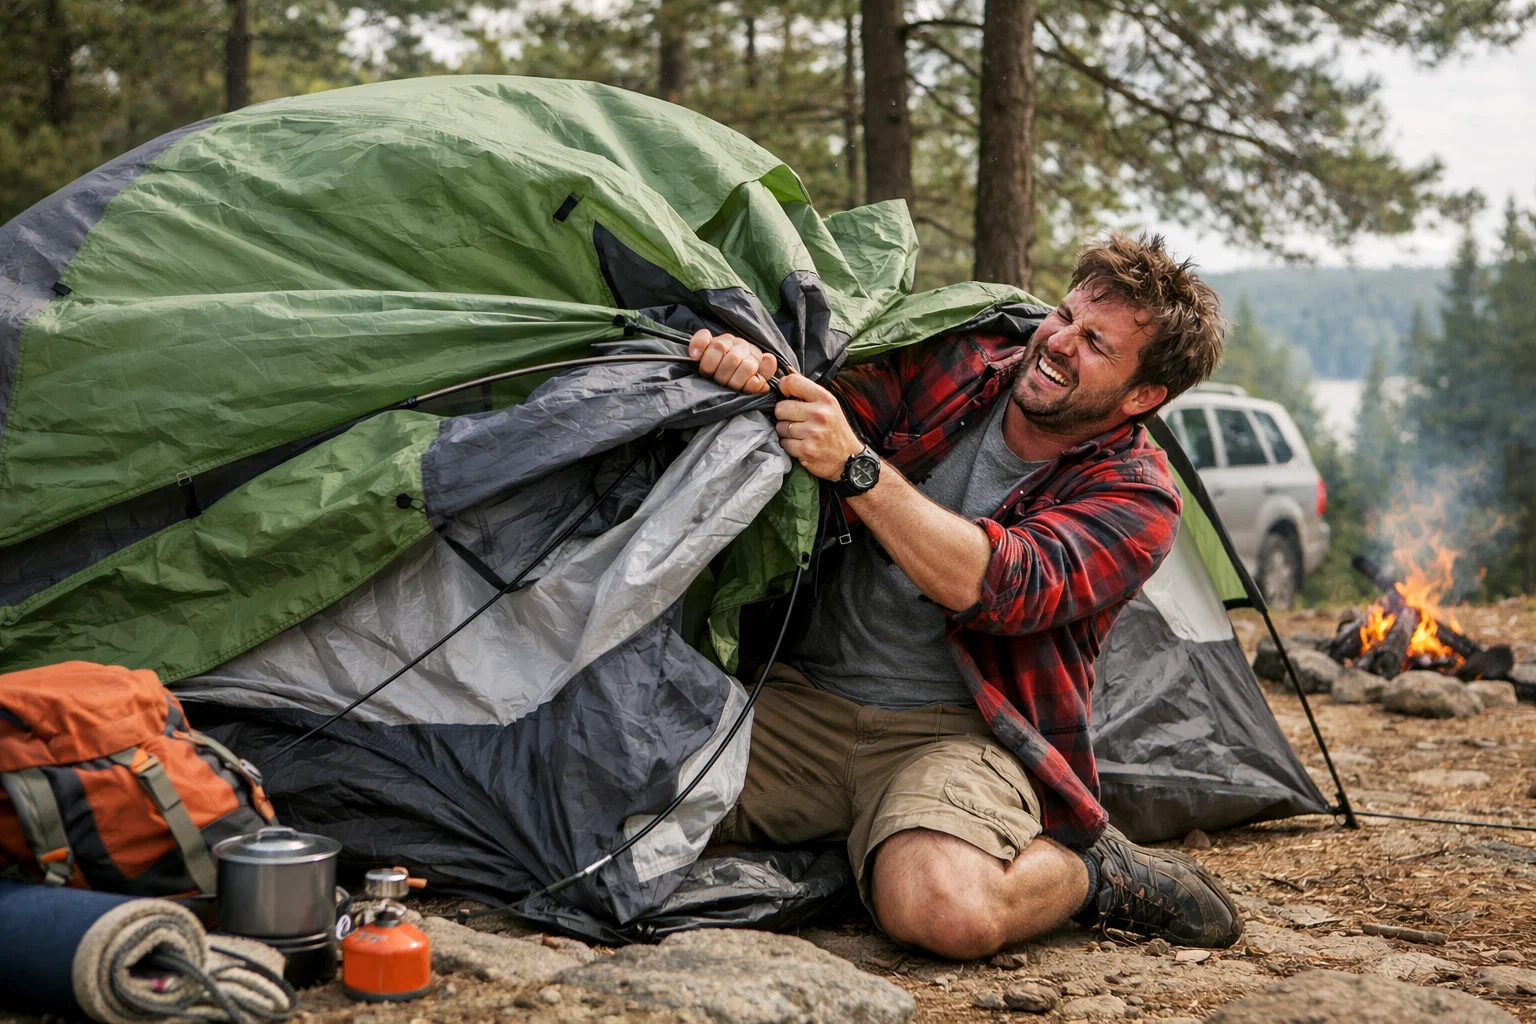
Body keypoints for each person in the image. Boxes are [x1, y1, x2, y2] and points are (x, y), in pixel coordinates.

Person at [690, 232, 1241, 959]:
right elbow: (828, 400)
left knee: (945, 910)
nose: (1061, 342)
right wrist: (756, 370)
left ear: (1141, 397)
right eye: (1064, 315)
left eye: (1097, 344)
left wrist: (858, 467)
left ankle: (1091, 872)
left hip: (955, 734)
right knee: (601, 802)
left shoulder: (1138, 498)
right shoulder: (957, 363)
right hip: (800, 699)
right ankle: (854, 853)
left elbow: (998, 583)